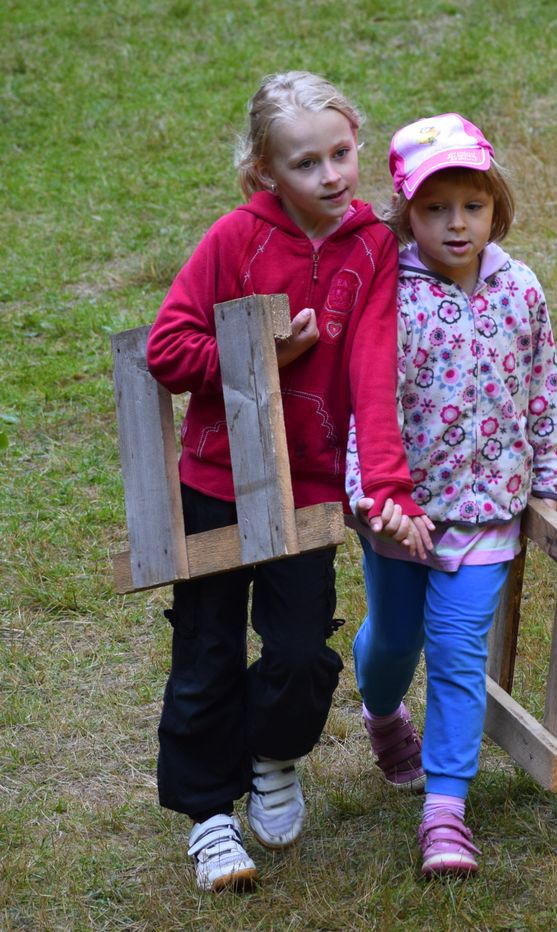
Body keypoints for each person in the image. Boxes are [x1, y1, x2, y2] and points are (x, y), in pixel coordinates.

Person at [146, 71, 426, 892]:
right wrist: (258, 353)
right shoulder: (235, 238)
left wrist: (385, 483)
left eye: (341, 153)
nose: (331, 176)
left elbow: (373, 369)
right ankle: (208, 814)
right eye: (306, 164)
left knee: (301, 650)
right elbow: (167, 349)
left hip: (309, 485)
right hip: (216, 477)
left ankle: (273, 756)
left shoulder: (372, 247)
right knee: (206, 648)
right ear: (265, 170)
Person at [346, 113, 557, 878]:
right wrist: (373, 497)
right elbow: (367, 402)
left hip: (487, 514)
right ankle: (382, 712)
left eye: (473, 206)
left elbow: (541, 385)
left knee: (455, 650)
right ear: (406, 211)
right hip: (402, 516)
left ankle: (445, 812)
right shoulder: (393, 297)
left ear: (495, 205)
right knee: (395, 642)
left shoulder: (521, 289)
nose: (456, 224)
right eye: (436, 208)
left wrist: (548, 477)